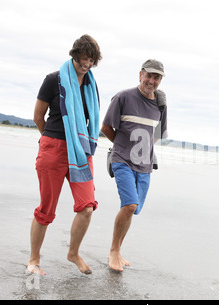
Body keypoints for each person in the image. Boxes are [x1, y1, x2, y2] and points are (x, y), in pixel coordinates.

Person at [27, 35, 102, 275]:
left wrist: (76, 144)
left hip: (80, 152)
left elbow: (92, 120)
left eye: (91, 59)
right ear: (74, 55)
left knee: (87, 207)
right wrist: (51, 140)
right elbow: (38, 116)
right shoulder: (54, 80)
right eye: (83, 57)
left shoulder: (91, 85)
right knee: (46, 208)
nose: (86, 63)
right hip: (54, 148)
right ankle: (34, 260)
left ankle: (73, 253)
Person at [101, 59, 168, 272]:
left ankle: (118, 251)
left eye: (156, 77)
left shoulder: (161, 104)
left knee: (133, 210)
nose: (152, 80)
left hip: (145, 165)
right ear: (140, 74)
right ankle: (113, 251)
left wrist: (143, 150)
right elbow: (106, 127)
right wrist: (123, 147)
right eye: (149, 75)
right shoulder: (123, 97)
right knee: (129, 204)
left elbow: (157, 134)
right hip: (121, 160)